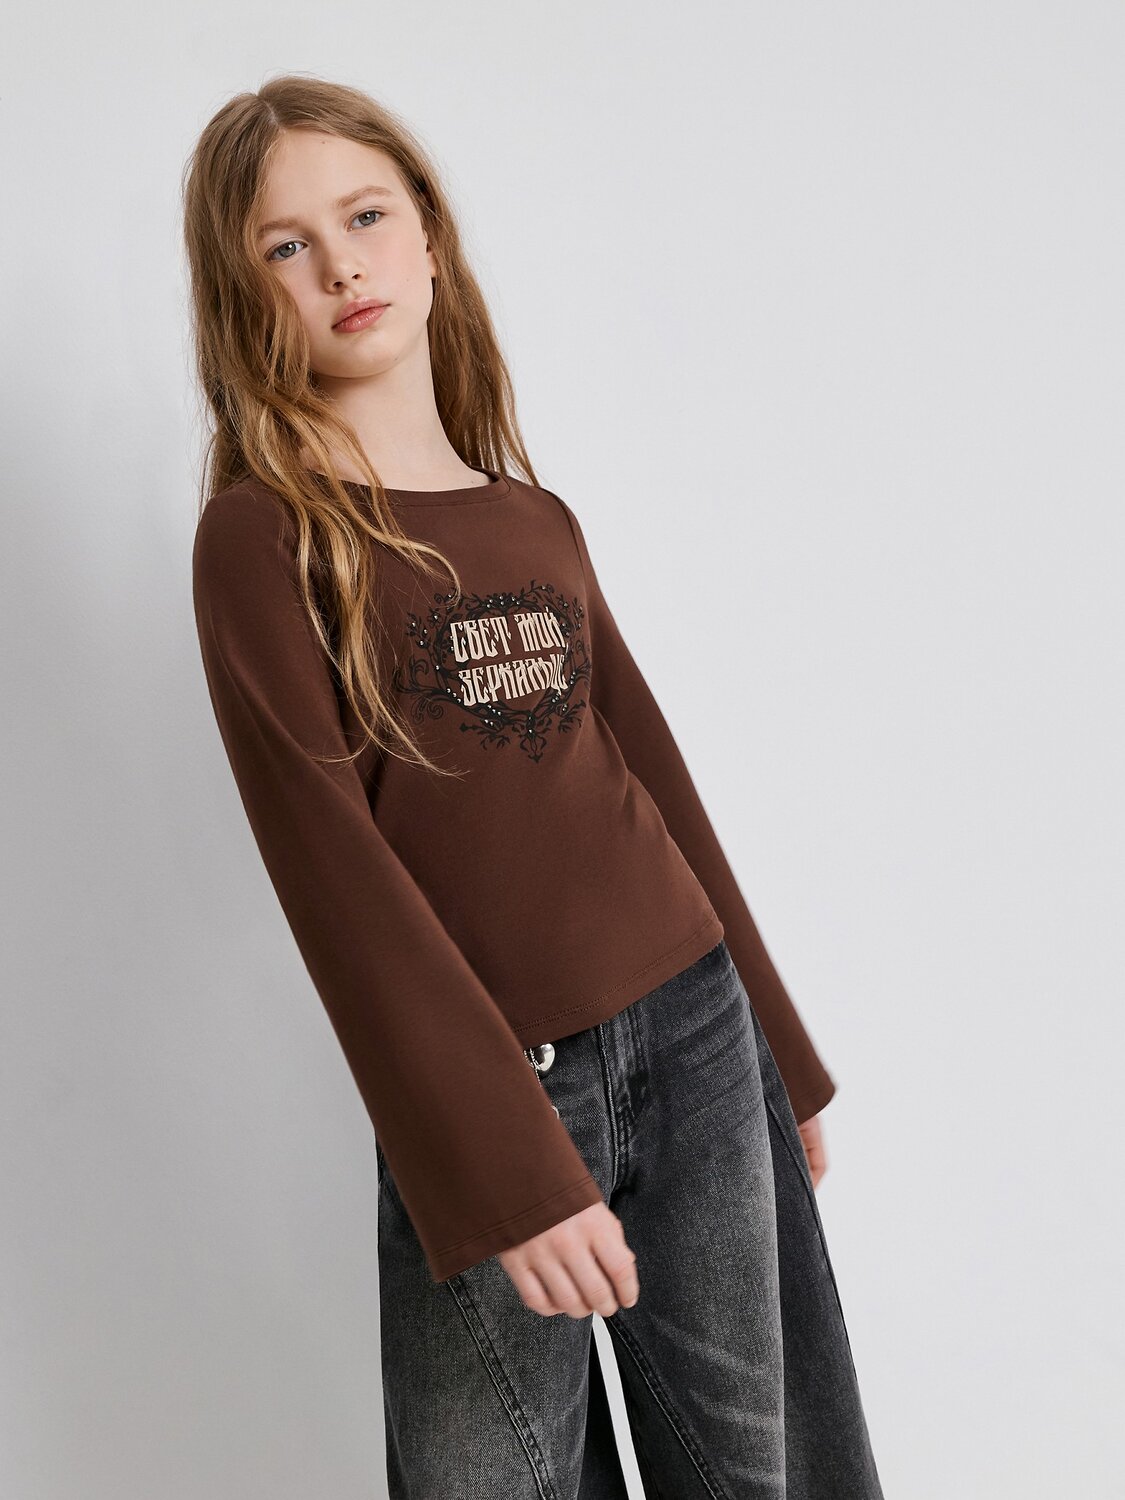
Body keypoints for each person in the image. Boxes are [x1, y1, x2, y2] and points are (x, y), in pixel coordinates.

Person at [183, 73, 884, 1498]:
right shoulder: (263, 539)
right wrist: (505, 1166)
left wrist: (776, 1051)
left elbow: (651, 775)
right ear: (244, 294)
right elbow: (334, 877)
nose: (342, 266)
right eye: (286, 245)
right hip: (492, 1089)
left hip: (694, 1033)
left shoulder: (531, 516)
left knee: (746, 1470)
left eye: (366, 217)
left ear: (430, 241)